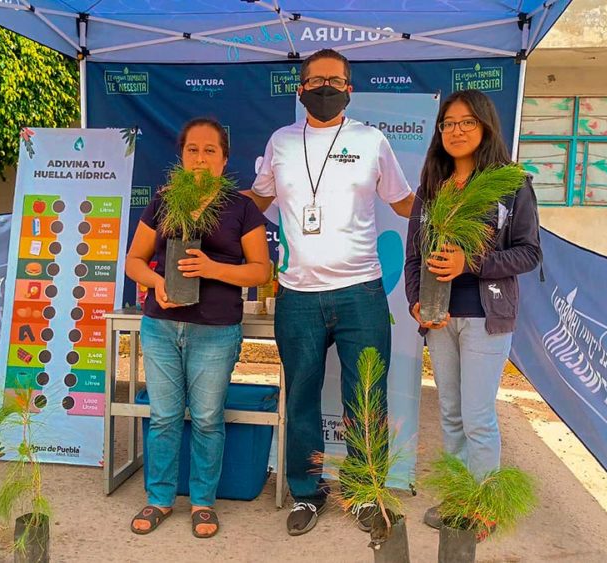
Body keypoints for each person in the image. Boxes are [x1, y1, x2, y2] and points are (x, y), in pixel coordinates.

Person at [244, 48, 415, 536]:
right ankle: (306, 491)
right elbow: (258, 199)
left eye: (334, 81)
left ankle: (363, 492)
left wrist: (451, 206)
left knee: (366, 395)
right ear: (299, 89)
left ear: (349, 88)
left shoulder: (371, 140)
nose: (324, 88)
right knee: (300, 396)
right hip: (297, 296)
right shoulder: (281, 141)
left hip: (361, 294)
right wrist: (210, 205)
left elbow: (403, 202)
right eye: (315, 80)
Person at [125, 117, 271, 538]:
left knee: (207, 418)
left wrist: (212, 268)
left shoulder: (242, 210)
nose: (201, 158)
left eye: (211, 150)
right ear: (182, 156)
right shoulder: (163, 201)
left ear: (224, 159)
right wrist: (157, 283)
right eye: (193, 150)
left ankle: (203, 502)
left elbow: (260, 271)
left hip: (215, 330)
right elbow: (134, 260)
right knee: (165, 416)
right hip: (162, 325)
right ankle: (160, 498)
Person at [403, 90, 541, 530]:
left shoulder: (510, 184)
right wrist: (415, 302)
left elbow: (529, 253)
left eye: (467, 122)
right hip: (440, 319)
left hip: (487, 317)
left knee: (478, 416)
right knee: (451, 413)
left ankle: (483, 507)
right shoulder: (431, 189)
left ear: (485, 127)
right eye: (448, 123)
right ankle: (458, 496)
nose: (457, 130)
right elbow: (413, 257)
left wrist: (471, 262)